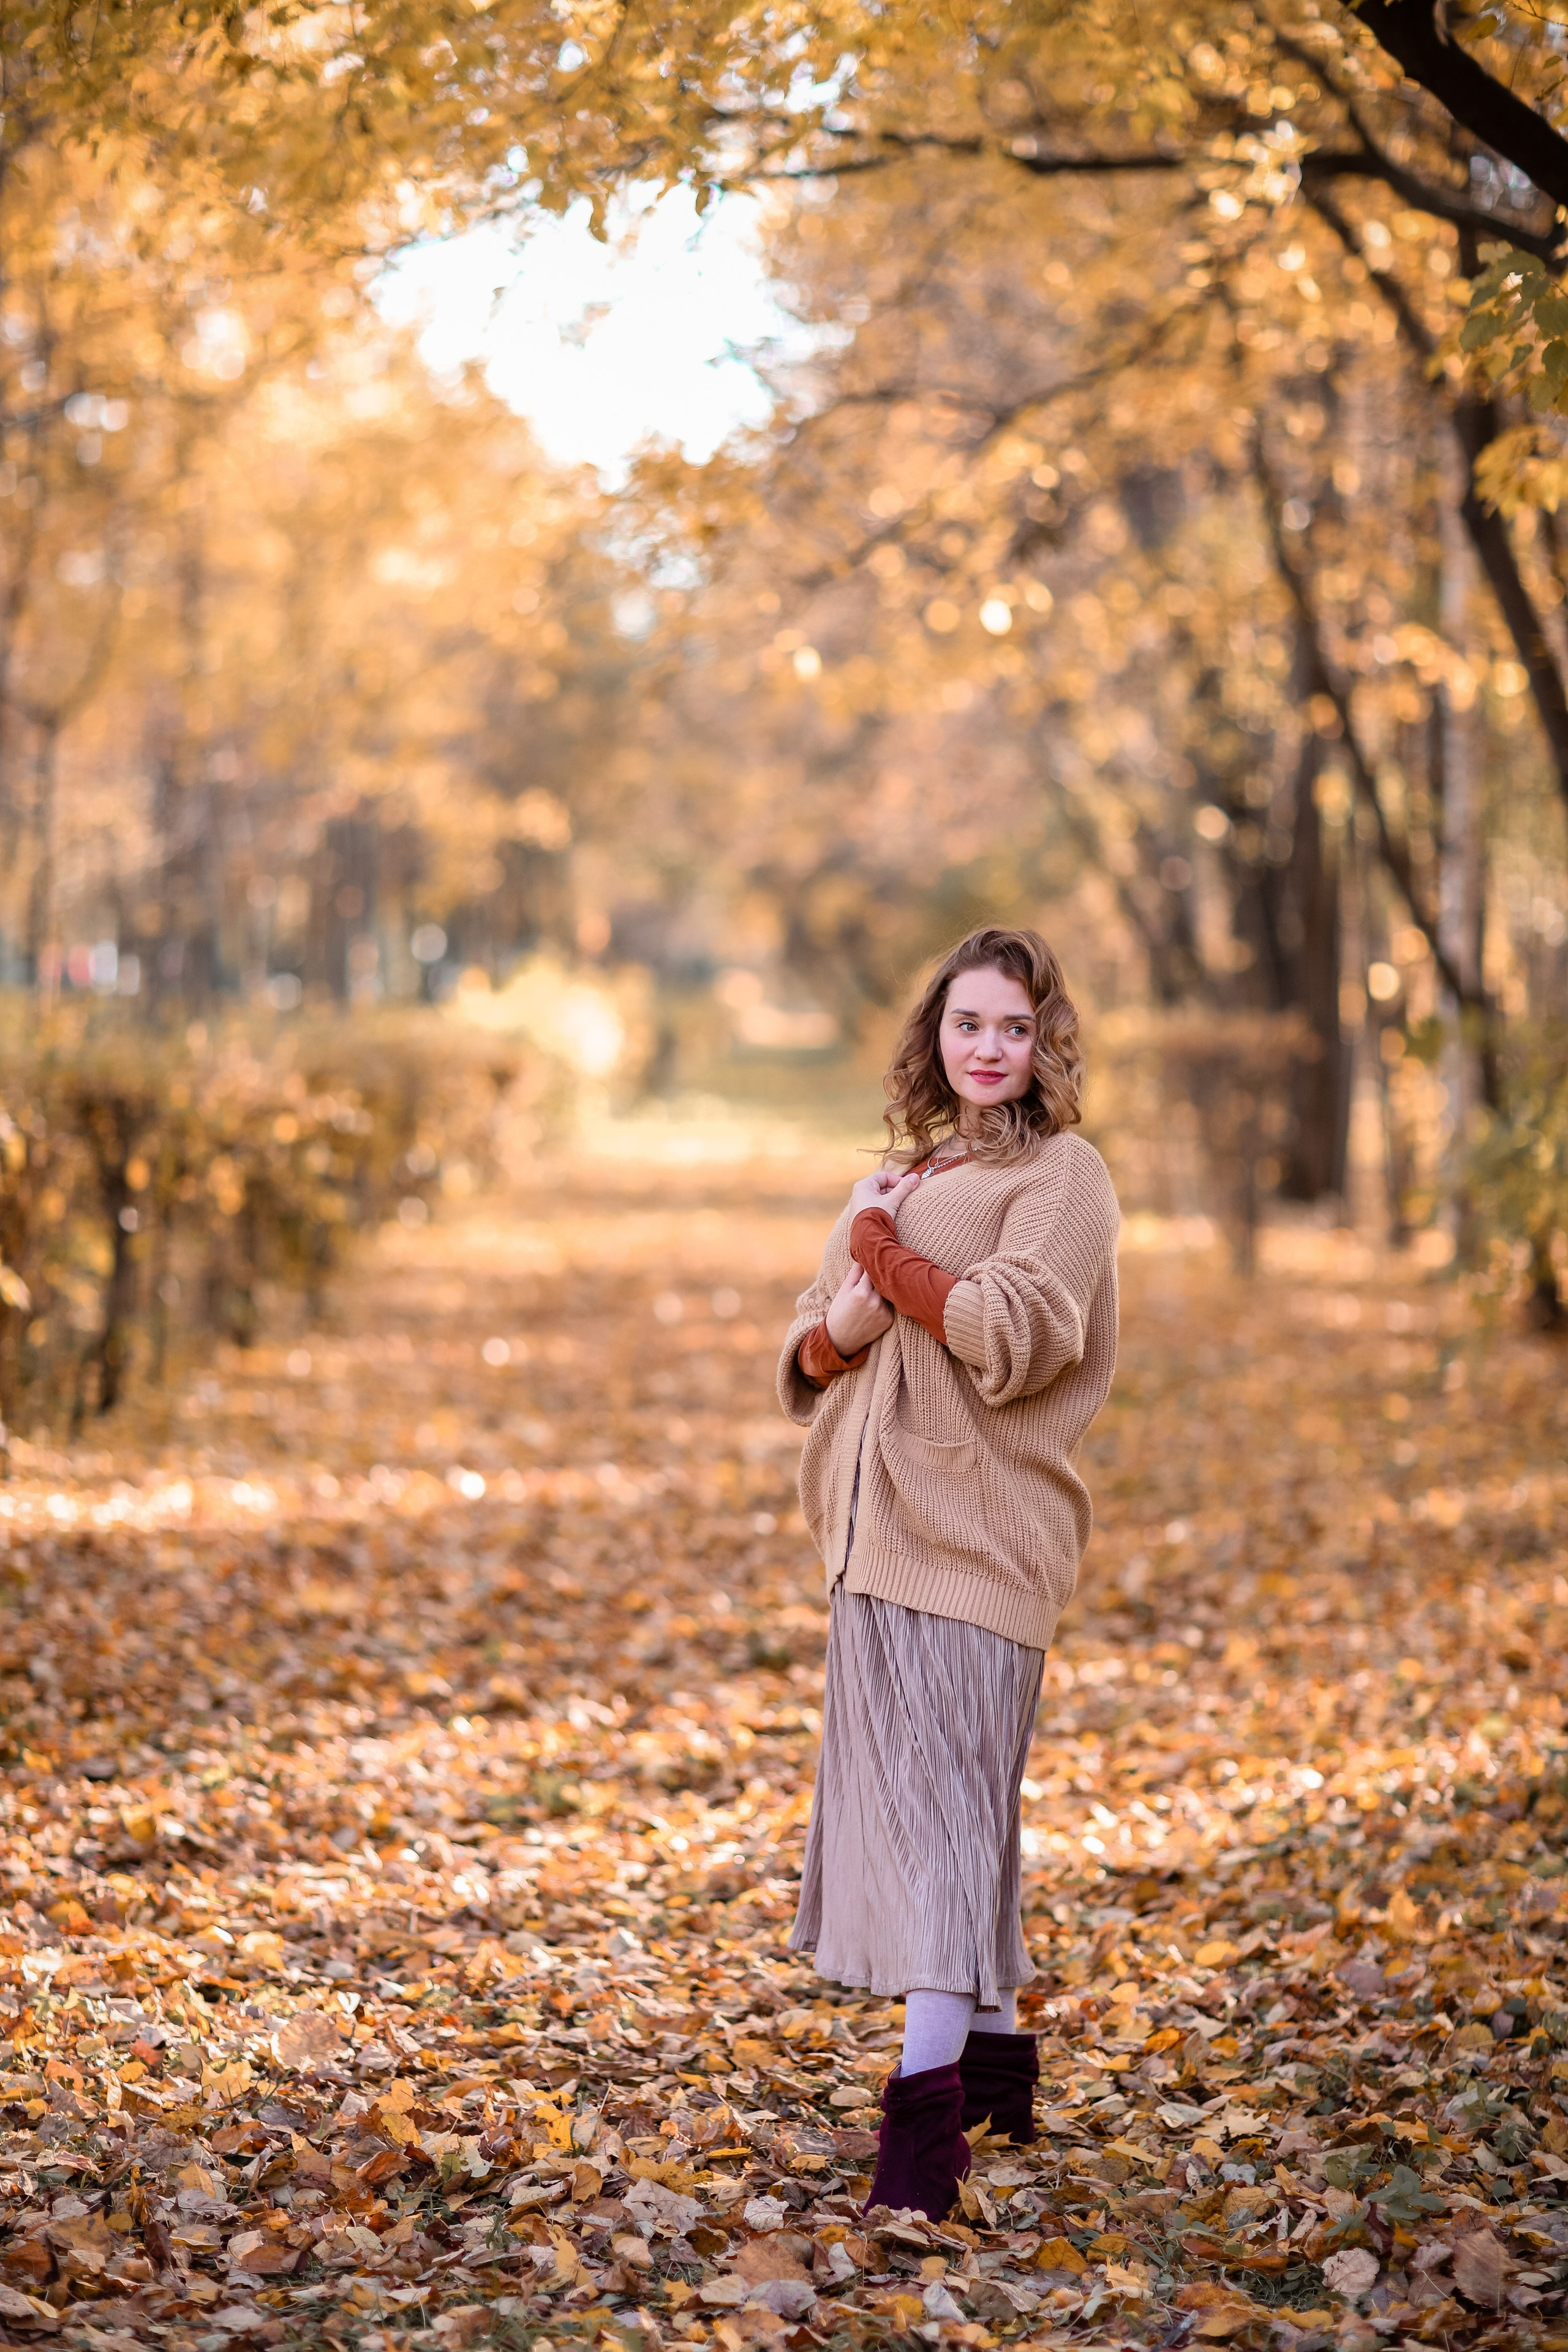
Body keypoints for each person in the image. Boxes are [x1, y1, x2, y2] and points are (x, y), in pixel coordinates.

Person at [775, 925, 1120, 2221]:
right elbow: (806, 1356)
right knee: (951, 1818)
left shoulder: (1064, 1176)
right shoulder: (894, 1172)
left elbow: (1014, 1332)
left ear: (1043, 1045)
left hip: (981, 1544)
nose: (987, 1048)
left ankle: (919, 2148)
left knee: (945, 1834)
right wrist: (849, 1316)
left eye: (1013, 1028)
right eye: (966, 1023)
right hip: (871, 1540)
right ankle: (991, 2064)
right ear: (935, 1034)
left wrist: (891, 1266)